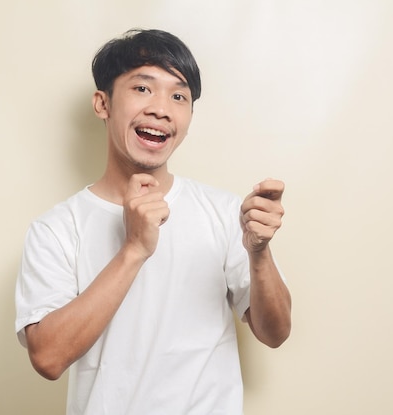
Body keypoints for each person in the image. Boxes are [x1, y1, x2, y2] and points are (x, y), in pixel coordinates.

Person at [15, 28, 292, 415]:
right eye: (143, 89)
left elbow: (275, 332)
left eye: (179, 96)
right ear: (102, 103)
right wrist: (134, 249)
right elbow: (47, 358)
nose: (161, 109)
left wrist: (259, 253)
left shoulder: (224, 212)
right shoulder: (56, 229)